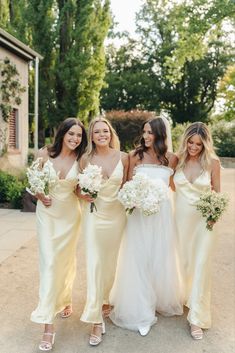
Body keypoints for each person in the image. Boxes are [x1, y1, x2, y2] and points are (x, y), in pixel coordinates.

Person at [109, 117, 183, 336]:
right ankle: (140, 309)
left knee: (159, 257)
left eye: (150, 132)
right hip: (138, 216)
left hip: (161, 216)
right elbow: (125, 185)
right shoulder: (135, 156)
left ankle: (157, 298)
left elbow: (174, 187)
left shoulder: (172, 159)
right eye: (144, 132)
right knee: (138, 258)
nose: (146, 136)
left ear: (161, 134)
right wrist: (134, 198)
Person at [30, 118, 87, 351]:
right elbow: (34, 185)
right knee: (50, 264)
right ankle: (47, 325)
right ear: (62, 133)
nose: (75, 139)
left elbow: (80, 190)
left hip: (70, 216)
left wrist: (90, 194)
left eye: (79, 136)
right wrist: (40, 196)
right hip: (47, 215)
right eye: (71, 134)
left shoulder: (81, 160)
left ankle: (64, 298)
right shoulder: (44, 155)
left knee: (65, 261)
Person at [78, 116, 128, 346]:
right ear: (92, 135)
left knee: (110, 264)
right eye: (97, 132)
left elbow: (128, 187)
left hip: (117, 217)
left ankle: (105, 299)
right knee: (95, 264)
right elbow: (77, 189)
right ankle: (95, 319)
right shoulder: (85, 159)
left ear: (111, 133)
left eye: (105, 131)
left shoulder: (124, 158)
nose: (102, 135)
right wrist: (82, 194)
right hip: (94, 217)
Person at [173, 122, 220, 340]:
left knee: (201, 266)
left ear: (205, 144)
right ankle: (187, 298)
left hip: (204, 224)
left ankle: (197, 317)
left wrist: (213, 215)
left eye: (198, 144)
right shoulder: (177, 160)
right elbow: (171, 186)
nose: (193, 147)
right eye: (190, 142)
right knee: (184, 264)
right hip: (180, 221)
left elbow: (217, 194)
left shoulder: (213, 163)